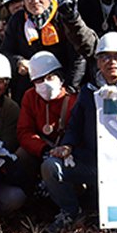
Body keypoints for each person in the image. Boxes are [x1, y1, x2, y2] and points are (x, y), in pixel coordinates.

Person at [42, 32, 117, 233]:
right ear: (98, 61)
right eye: (105, 57)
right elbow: (75, 126)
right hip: (93, 162)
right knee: (50, 166)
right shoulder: (88, 91)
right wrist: (68, 145)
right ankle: (70, 213)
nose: (112, 62)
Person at [0, 0, 96, 95]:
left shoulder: (64, 16)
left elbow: (78, 57)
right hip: (31, 90)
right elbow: (6, 51)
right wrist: (18, 61)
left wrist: (70, 89)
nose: (35, 1)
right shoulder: (17, 20)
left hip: (64, 87)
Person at [15, 51, 77, 193]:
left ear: (60, 78)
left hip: (68, 151)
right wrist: (43, 149)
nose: (45, 84)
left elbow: (79, 132)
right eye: (39, 80)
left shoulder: (74, 100)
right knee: (21, 155)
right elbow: (24, 131)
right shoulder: (30, 97)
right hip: (43, 147)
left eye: (50, 77)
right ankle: (31, 191)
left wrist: (67, 148)